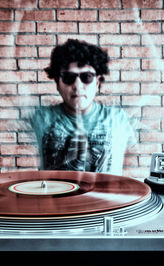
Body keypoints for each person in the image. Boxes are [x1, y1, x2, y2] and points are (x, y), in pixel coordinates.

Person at [30, 39, 135, 175]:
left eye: (87, 77)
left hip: (107, 196)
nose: (78, 86)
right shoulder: (39, 118)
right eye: (68, 77)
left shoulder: (118, 119)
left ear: (97, 82)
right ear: (57, 82)